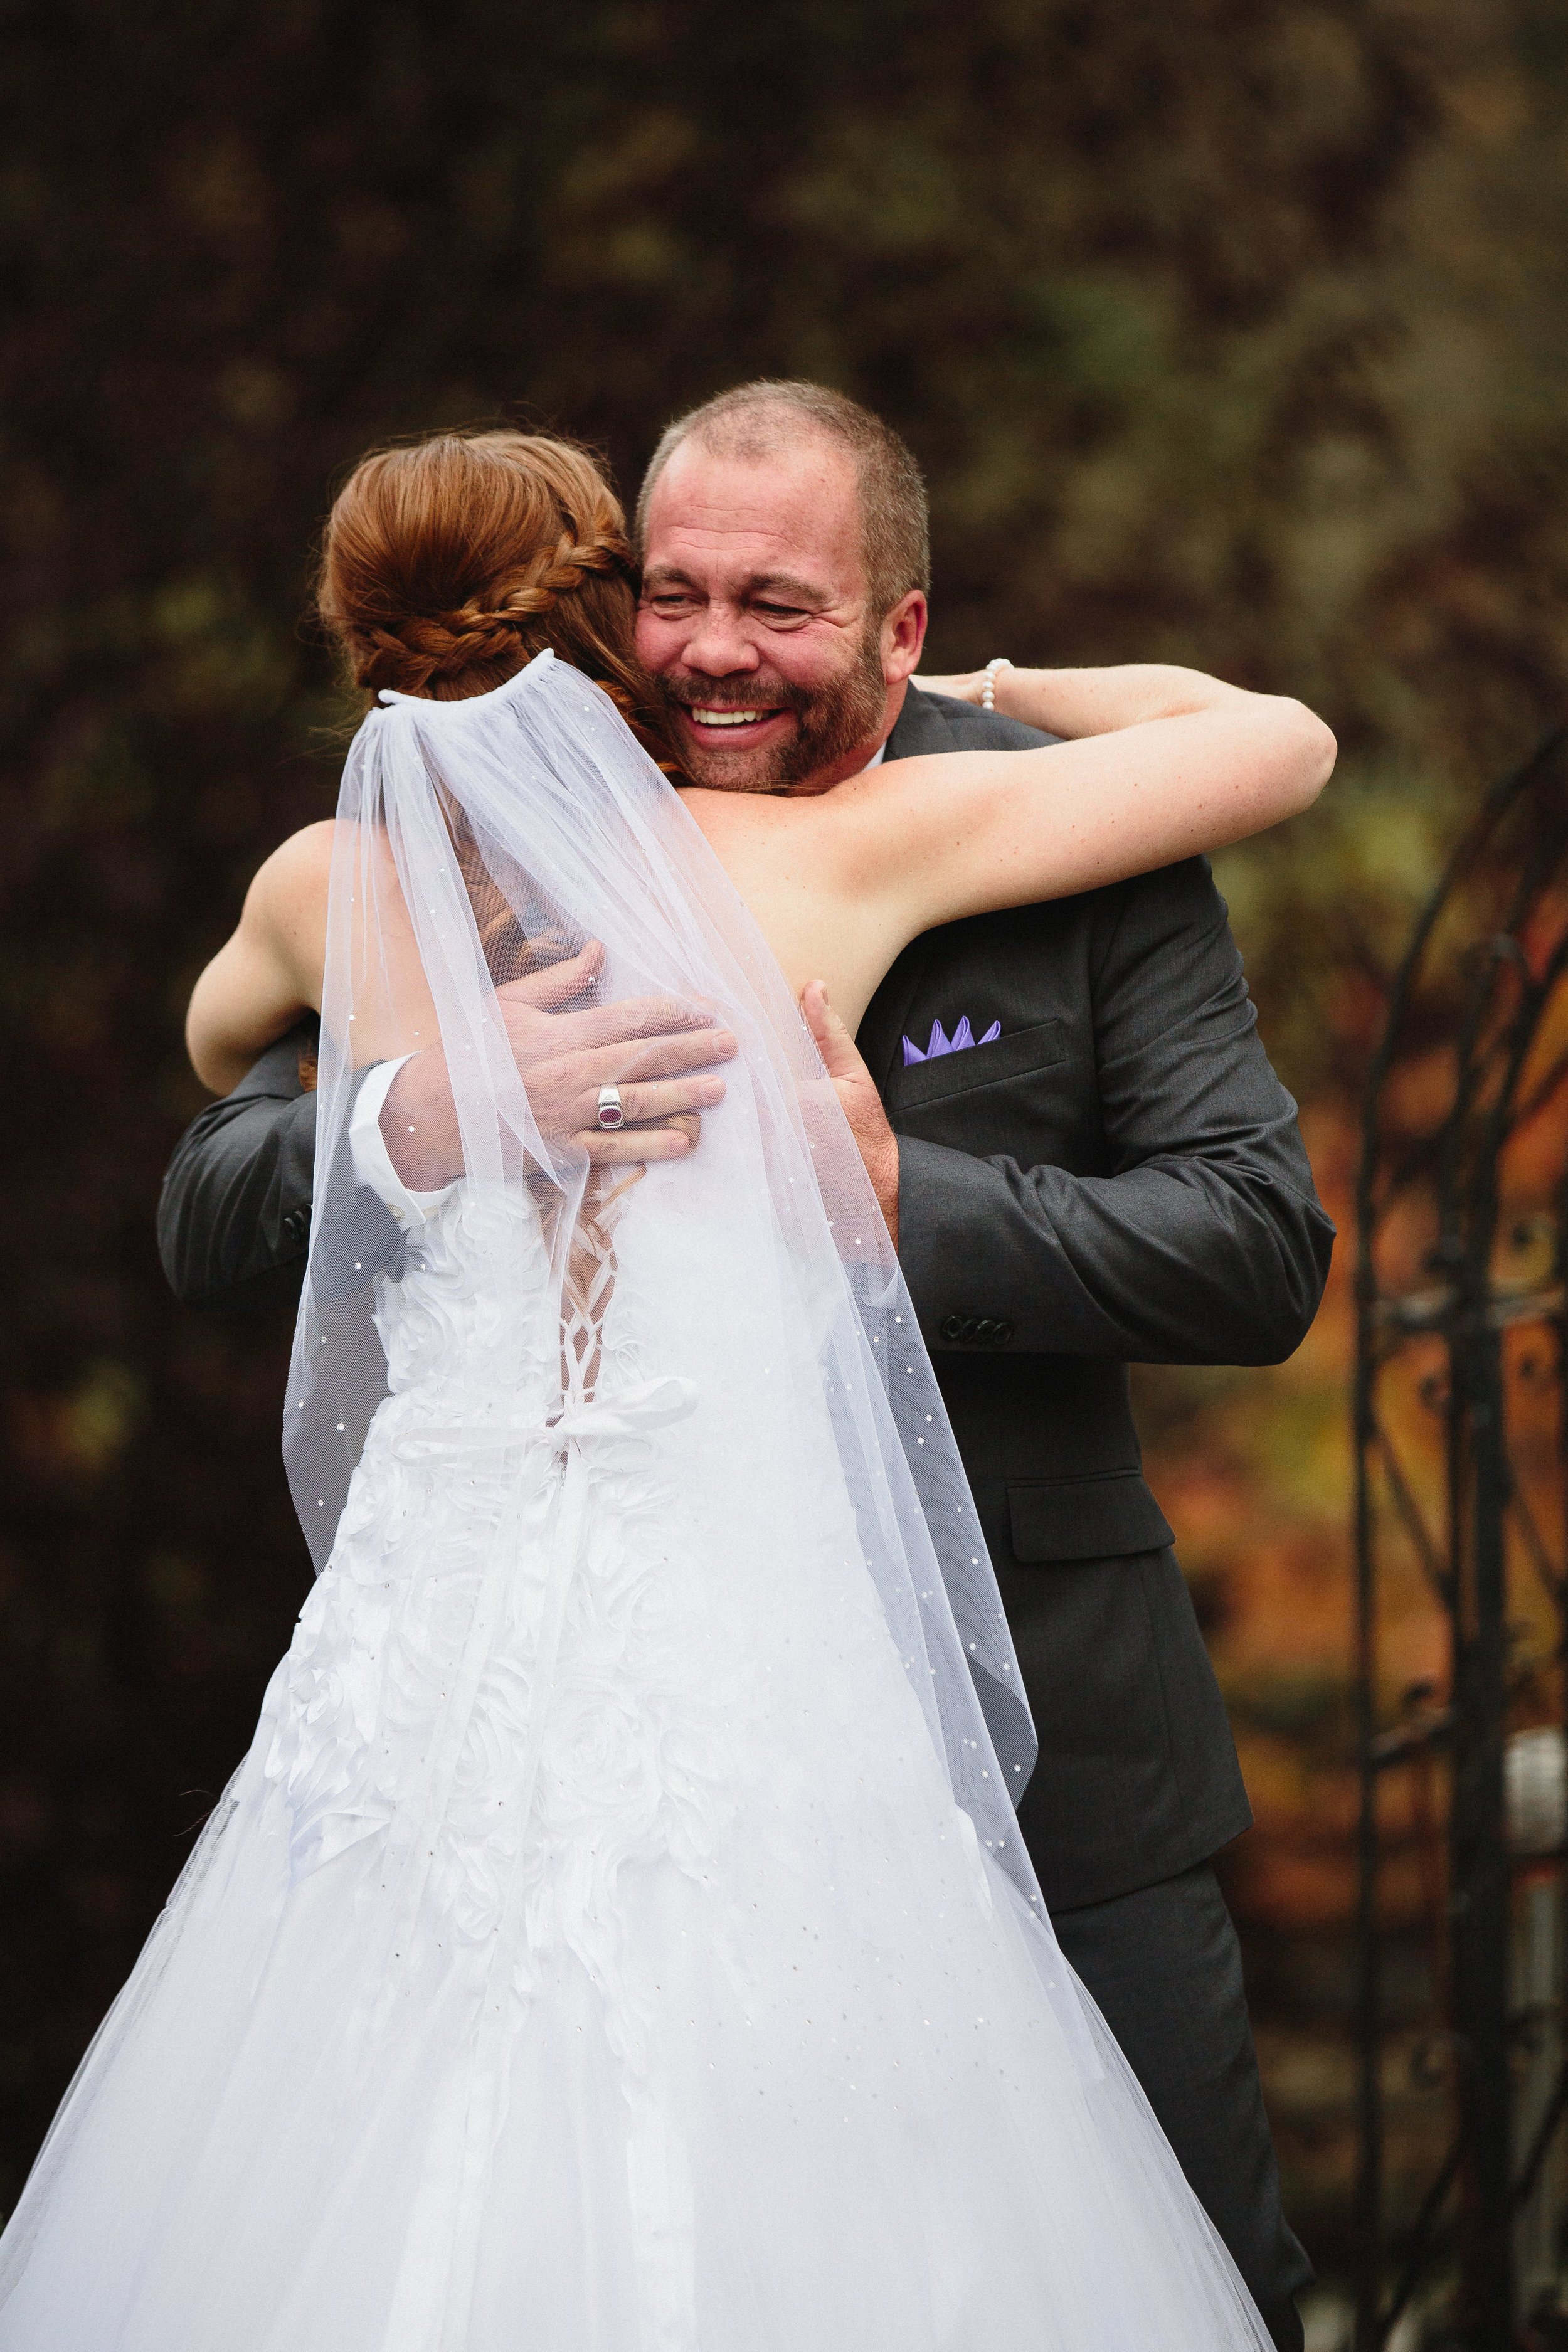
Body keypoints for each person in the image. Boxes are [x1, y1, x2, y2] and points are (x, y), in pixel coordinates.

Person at [0, 421, 1330, 2350]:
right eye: (666, 598)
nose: (706, 649)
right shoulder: (815, 859)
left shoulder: (321, 887)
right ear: (605, 636)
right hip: (754, 1661)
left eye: (771, 608)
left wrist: (385, 1054)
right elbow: (1275, 741)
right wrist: (408, 1121)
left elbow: (216, 1043)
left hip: (443, 1669)